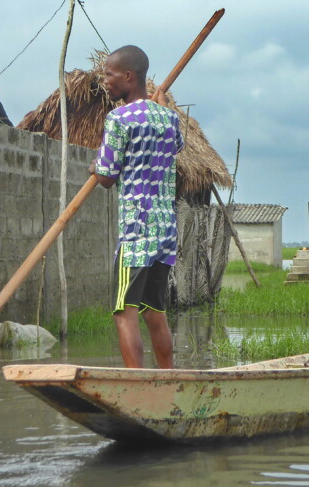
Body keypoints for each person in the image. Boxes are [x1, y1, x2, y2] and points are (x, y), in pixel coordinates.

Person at [88, 45, 184, 368]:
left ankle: (138, 384)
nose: (105, 81)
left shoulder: (117, 119)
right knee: (155, 312)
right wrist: (160, 110)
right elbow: (178, 145)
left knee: (124, 313)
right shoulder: (170, 119)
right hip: (165, 231)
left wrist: (94, 167)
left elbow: (106, 177)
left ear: (128, 76)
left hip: (136, 232)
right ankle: (168, 379)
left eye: (109, 75)